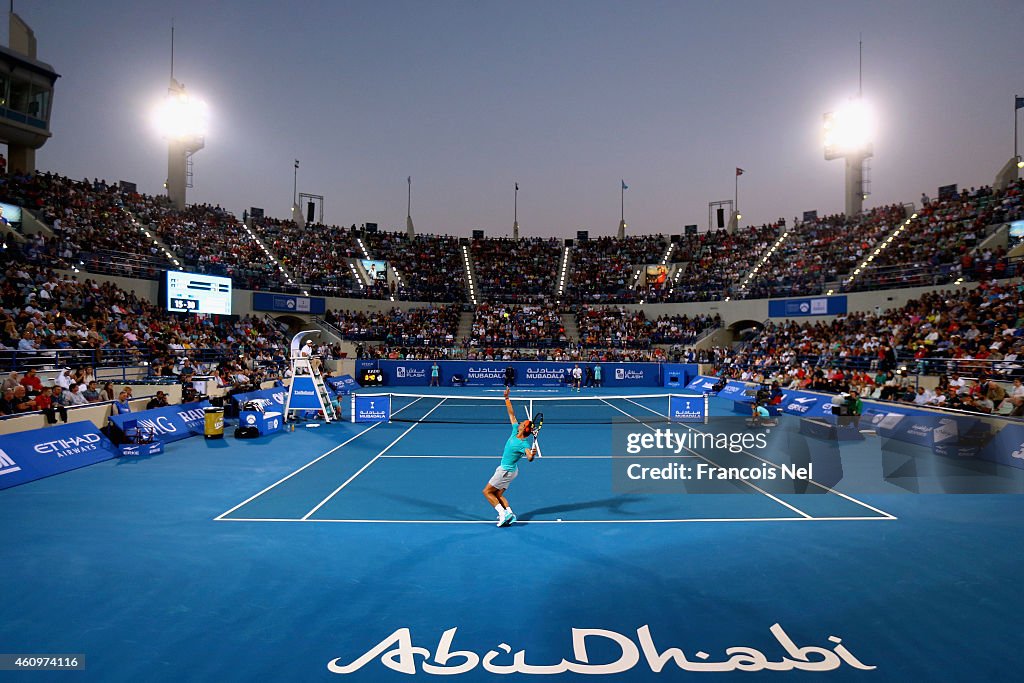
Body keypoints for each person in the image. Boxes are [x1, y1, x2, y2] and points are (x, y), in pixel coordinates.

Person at [482, 387, 537, 527]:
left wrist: (532, 454)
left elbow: (529, 458)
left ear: (524, 429)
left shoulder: (523, 444)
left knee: (487, 492)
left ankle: (503, 514)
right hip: (512, 471)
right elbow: (511, 414)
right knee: (498, 495)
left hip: (505, 471)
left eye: (522, 423)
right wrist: (507, 398)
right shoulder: (514, 431)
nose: (519, 423)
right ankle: (510, 514)